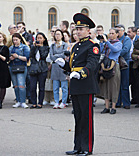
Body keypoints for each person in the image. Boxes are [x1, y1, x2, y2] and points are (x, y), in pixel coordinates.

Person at [55, 13, 100, 156]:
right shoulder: (75, 46)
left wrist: (81, 73)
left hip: (86, 85)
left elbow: (92, 64)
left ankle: (87, 148)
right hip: (75, 85)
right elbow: (72, 67)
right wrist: (64, 65)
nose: (78, 31)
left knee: (86, 118)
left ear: (88, 31)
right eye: (77, 29)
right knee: (78, 117)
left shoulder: (93, 46)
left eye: (81, 29)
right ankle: (78, 147)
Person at [100, 28, 122, 114]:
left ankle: (113, 107)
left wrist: (107, 42)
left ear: (117, 34)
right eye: (110, 33)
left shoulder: (119, 43)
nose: (111, 35)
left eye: (113, 33)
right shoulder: (107, 42)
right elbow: (101, 51)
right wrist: (102, 42)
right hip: (105, 65)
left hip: (114, 66)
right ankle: (106, 107)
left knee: (114, 86)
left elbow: (114, 50)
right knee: (106, 86)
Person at [9, 33, 30, 108]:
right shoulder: (11, 48)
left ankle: (23, 101)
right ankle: (18, 100)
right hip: (12, 67)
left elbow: (27, 59)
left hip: (21, 66)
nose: (15, 41)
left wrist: (17, 56)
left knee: (21, 85)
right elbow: (8, 59)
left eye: (16, 40)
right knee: (15, 85)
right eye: (13, 40)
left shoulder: (24, 47)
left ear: (20, 39)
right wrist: (10, 58)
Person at [29, 32, 49, 109]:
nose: (39, 40)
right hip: (33, 68)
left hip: (42, 68)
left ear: (44, 39)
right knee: (32, 87)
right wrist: (34, 47)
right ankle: (34, 102)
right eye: (38, 38)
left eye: (41, 38)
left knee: (41, 87)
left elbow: (43, 56)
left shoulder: (46, 47)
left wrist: (40, 47)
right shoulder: (33, 47)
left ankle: (40, 102)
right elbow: (30, 55)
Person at [50, 29, 68, 109]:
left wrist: (56, 55)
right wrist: (58, 56)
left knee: (64, 86)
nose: (57, 36)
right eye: (56, 34)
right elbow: (51, 56)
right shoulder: (52, 45)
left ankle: (63, 102)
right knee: (55, 86)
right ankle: (56, 101)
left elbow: (64, 55)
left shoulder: (65, 45)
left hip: (62, 67)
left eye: (59, 34)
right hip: (54, 67)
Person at [115, 24, 132, 109]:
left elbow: (125, 50)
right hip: (116, 63)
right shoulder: (115, 40)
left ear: (123, 31)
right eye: (116, 31)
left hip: (124, 63)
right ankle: (117, 102)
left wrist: (115, 53)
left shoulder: (127, 39)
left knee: (124, 84)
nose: (117, 32)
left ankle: (126, 103)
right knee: (117, 83)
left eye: (118, 31)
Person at [127, 26, 139, 105]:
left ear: (134, 33)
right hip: (129, 62)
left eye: (129, 32)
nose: (128, 34)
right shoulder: (128, 40)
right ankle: (133, 98)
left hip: (136, 62)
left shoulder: (137, 40)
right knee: (130, 81)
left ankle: (137, 98)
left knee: (136, 81)